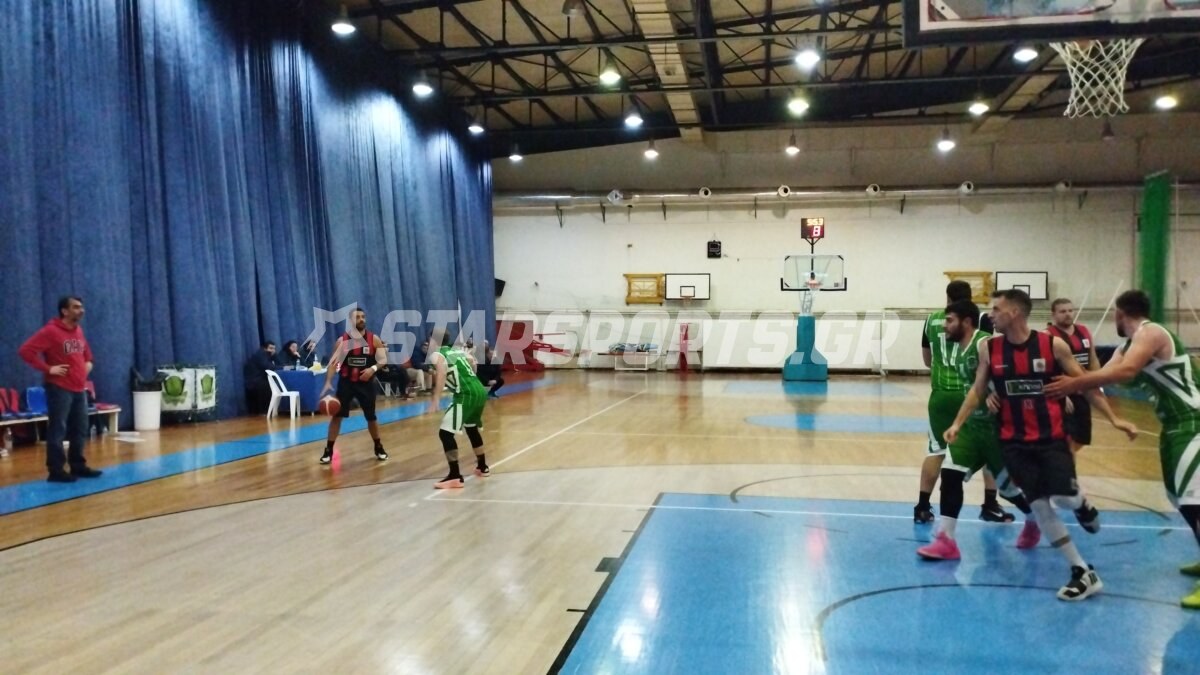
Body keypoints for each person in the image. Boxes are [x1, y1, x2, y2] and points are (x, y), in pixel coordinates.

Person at [947, 289, 1138, 601]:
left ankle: (1081, 503)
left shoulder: (1052, 346)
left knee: (1064, 498)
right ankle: (1081, 571)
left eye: (996, 309)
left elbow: (1086, 384)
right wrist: (957, 423)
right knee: (1038, 505)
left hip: (1050, 439)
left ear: (1014, 313)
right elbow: (978, 389)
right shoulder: (989, 348)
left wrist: (1114, 419)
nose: (990, 314)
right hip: (1013, 442)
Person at [1045, 290, 1200, 609]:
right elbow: (1096, 377)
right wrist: (1069, 385)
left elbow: (1126, 372)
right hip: (1173, 425)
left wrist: (1072, 385)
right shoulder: (1128, 346)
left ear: (1119, 313)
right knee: (1178, 498)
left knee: (1194, 501)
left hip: (1193, 421)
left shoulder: (1151, 333)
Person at [917, 300, 1037, 561]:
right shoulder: (960, 348)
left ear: (967, 322)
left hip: (996, 431)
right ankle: (946, 541)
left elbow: (1013, 370)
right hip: (972, 428)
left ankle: (1033, 517)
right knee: (950, 474)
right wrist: (957, 424)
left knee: (1008, 490)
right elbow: (975, 389)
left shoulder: (984, 344)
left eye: (949, 320)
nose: (944, 325)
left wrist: (999, 391)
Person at [917, 280, 1010, 524]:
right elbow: (988, 360)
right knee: (988, 448)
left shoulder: (932, 320)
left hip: (940, 395)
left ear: (947, 297)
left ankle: (922, 507)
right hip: (973, 394)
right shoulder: (980, 321)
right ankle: (990, 504)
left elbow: (926, 360)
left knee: (936, 450)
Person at [17, 296, 103, 482]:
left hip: (79, 388)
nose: (81, 310)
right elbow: (25, 351)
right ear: (64, 311)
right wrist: (48, 369)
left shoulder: (78, 330)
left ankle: (78, 465)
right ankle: (56, 470)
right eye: (76, 307)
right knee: (58, 428)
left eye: (81, 307)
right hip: (59, 388)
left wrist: (88, 364)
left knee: (80, 428)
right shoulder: (51, 331)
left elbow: (87, 354)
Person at [319, 308, 388, 464]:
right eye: (357, 317)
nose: (361, 319)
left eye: (363, 316)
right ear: (351, 321)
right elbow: (333, 364)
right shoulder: (342, 341)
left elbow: (383, 359)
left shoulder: (373, 339)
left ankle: (378, 446)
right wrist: (328, 381)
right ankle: (329, 450)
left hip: (366, 384)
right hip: (347, 383)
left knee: (371, 417)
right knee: (337, 416)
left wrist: (372, 369)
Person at [1045, 298, 1113, 454]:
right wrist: (1062, 394)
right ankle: (1066, 467)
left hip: (1083, 391)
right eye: (1063, 311)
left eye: (1070, 310)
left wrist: (1097, 382)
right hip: (1064, 392)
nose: (1068, 314)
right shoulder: (1048, 335)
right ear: (1053, 314)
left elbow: (1093, 359)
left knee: (1082, 438)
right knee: (1067, 438)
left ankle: (1064, 462)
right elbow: (1048, 369)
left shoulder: (1083, 331)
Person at [428, 329, 489, 489]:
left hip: (465, 394)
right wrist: (469, 378)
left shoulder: (436, 354)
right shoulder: (457, 350)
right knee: (471, 428)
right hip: (479, 390)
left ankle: (455, 476)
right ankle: (482, 467)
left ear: (434, 341)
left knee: (445, 433)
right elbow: (473, 362)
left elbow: (441, 374)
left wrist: (435, 399)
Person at [243, 341, 279, 414]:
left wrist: (274, 357)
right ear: (264, 348)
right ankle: (265, 411)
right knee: (269, 385)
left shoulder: (266, 355)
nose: (273, 350)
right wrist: (280, 367)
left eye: (274, 349)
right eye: (270, 348)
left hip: (259, 378)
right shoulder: (261, 355)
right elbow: (268, 367)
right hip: (255, 380)